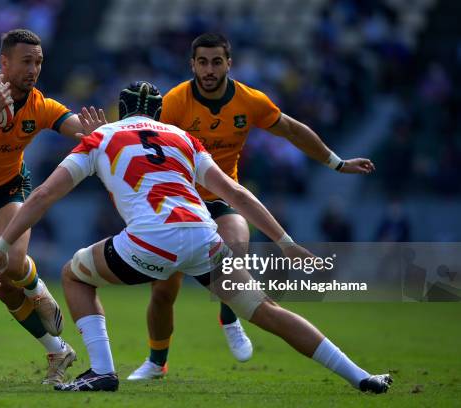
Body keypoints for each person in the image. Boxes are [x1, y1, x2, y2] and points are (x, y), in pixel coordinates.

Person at [0, 81, 392, 393]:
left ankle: (103, 371)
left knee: (75, 274)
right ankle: (360, 377)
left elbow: (42, 195)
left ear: (118, 111)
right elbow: (235, 193)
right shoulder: (182, 138)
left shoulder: (102, 137)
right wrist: (285, 241)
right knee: (268, 311)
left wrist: (2, 246)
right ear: (161, 112)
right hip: (203, 237)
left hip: (150, 241)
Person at [128, 33, 377, 380]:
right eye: (203, 62)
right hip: (180, 203)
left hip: (221, 198)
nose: (210, 69)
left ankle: (229, 316)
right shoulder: (174, 103)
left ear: (229, 63)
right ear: (192, 65)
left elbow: (292, 129)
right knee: (164, 289)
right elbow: (145, 149)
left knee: (236, 247)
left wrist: (337, 163)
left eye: (217, 61)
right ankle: (157, 361)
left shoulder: (250, 101)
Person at [0, 28, 106, 384]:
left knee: (13, 262)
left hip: (10, 189)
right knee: (1, 285)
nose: (33, 70)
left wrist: (102, 133)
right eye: (26, 62)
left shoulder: (41, 106)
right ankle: (58, 350)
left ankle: (38, 291)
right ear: (4, 62)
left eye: (38, 62)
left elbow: (78, 128)